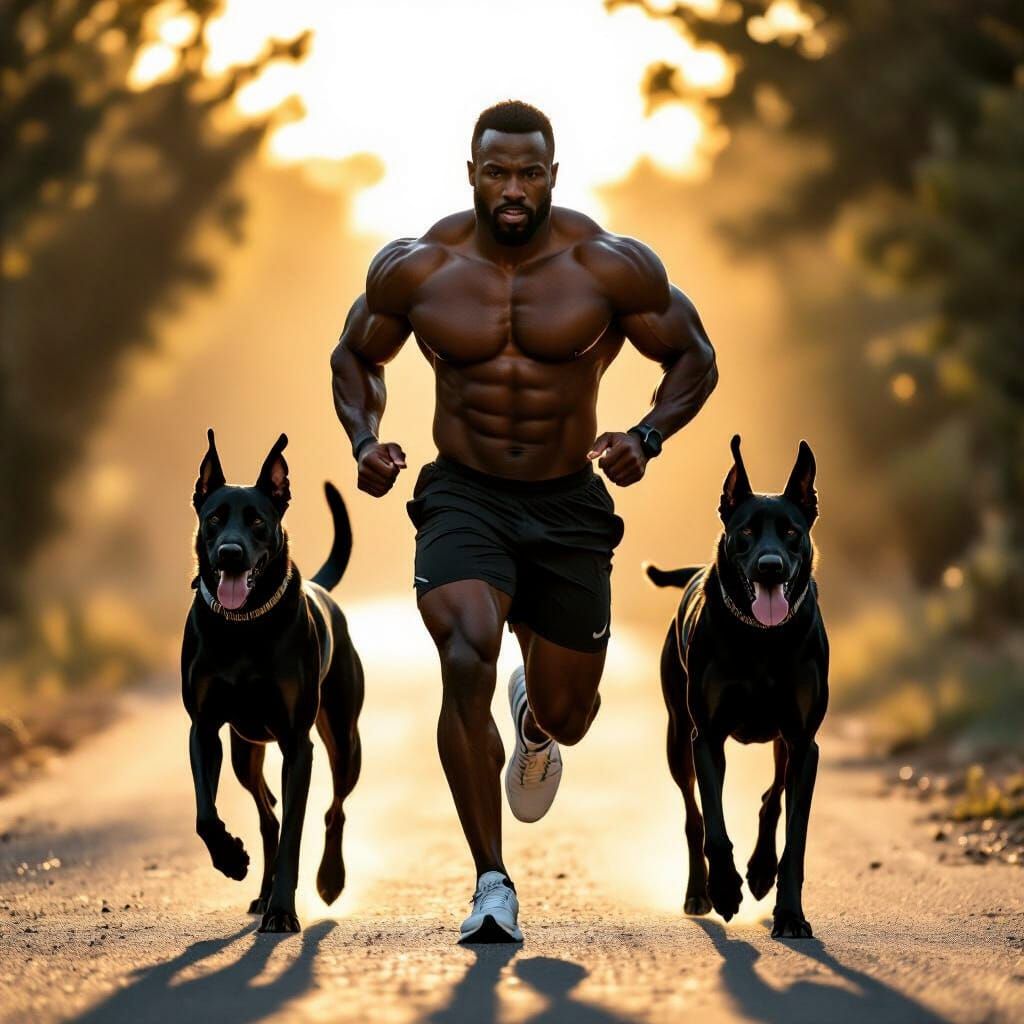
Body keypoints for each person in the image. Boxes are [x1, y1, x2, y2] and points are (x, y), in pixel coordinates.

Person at [330, 100, 717, 943]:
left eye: (529, 173)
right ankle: (492, 882)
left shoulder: (608, 266)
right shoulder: (418, 267)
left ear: (553, 175)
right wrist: (365, 439)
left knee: (571, 712)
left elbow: (695, 356)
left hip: (568, 502)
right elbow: (356, 355)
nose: (512, 189)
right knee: (464, 646)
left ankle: (536, 719)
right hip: (464, 493)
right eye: (496, 172)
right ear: (470, 173)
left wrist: (647, 436)